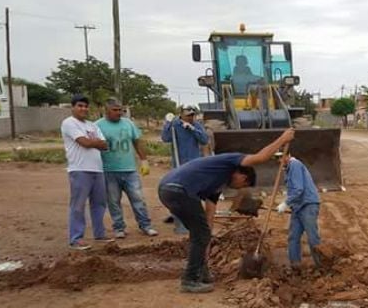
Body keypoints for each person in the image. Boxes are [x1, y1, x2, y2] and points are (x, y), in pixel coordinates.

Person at [158, 128, 295, 293]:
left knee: (201, 234)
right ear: (243, 177)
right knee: (200, 234)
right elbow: (261, 157)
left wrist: (207, 242)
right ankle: (190, 279)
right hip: (178, 190)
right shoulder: (231, 161)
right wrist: (282, 139)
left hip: (169, 191)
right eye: (242, 186)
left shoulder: (216, 184)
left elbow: (209, 218)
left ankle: (200, 270)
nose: (238, 189)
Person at [95, 98, 158, 239]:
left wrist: (144, 160)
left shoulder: (128, 124)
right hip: (109, 170)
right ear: (107, 111)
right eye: (115, 110)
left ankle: (145, 225)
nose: (119, 113)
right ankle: (119, 228)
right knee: (113, 201)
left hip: (129, 170)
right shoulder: (97, 126)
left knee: (138, 199)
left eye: (121, 110)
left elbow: (137, 141)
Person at [60, 94, 112, 250]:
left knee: (99, 204)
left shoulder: (92, 125)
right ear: (73, 107)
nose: (83, 109)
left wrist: (93, 143)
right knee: (78, 205)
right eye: (80, 106)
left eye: (85, 106)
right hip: (79, 169)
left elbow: (105, 145)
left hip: (97, 168)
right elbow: (84, 142)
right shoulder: (69, 123)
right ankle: (76, 238)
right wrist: (95, 143)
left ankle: (99, 234)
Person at [161, 104, 208, 234]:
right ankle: (180, 226)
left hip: (194, 166)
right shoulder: (174, 125)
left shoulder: (196, 125)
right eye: (188, 116)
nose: (190, 118)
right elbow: (165, 138)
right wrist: (167, 124)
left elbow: (204, 140)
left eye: (192, 115)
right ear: (181, 115)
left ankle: (194, 224)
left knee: (194, 196)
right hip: (179, 167)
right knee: (178, 196)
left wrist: (192, 129)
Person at [276, 153, 322, 269]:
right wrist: (288, 203)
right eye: (277, 158)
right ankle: (295, 265)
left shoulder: (295, 165)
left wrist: (286, 203)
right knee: (293, 236)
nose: (279, 160)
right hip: (297, 207)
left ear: (288, 155)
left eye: (281, 157)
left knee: (312, 237)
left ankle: (321, 265)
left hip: (307, 204)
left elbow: (298, 189)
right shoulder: (287, 169)